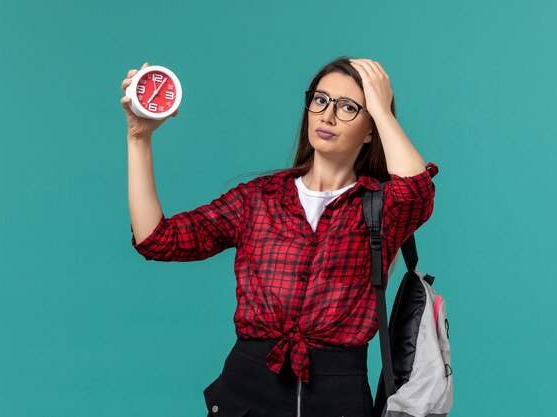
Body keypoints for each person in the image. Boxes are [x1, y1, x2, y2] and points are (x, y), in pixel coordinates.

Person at [121, 56, 439, 417]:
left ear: (370, 129)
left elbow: (416, 190)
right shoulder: (257, 198)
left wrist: (382, 111)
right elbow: (157, 240)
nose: (328, 116)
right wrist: (139, 138)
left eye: (348, 107)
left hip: (340, 393)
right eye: (320, 100)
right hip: (248, 389)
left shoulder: (382, 207)